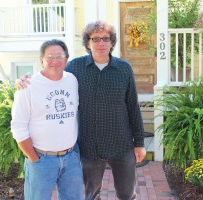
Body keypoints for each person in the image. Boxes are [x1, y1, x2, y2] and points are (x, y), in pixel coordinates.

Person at [18, 21, 146, 200]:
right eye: (95, 39)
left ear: (111, 42)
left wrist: (139, 143)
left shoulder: (124, 68)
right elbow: (52, 75)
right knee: (91, 195)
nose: (101, 43)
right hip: (89, 147)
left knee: (127, 194)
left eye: (105, 39)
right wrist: (25, 80)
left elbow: (133, 106)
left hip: (121, 145)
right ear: (88, 43)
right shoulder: (75, 68)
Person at [11, 39, 83, 200]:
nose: (55, 60)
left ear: (66, 59)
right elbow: (18, 127)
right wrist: (34, 159)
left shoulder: (72, 80)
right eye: (50, 56)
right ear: (41, 60)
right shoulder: (27, 86)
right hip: (41, 160)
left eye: (60, 56)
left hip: (71, 158)